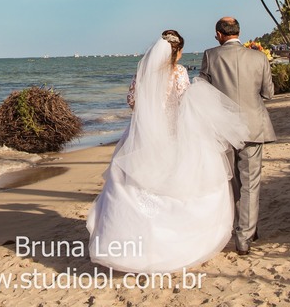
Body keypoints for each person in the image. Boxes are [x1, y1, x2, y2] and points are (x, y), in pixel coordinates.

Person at [87, 30, 248, 274]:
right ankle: (174, 246)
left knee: (131, 185)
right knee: (175, 185)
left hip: (141, 136)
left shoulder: (143, 71)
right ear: (178, 51)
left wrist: (150, 111)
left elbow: (132, 100)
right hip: (172, 134)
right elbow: (183, 101)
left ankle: (126, 244)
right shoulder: (180, 72)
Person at [199, 16, 276, 255]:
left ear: (219, 34)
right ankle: (246, 235)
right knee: (251, 184)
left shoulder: (211, 56)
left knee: (233, 182)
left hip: (224, 129)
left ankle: (242, 229)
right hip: (254, 126)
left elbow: (203, 91)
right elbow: (269, 93)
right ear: (238, 32)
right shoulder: (259, 57)